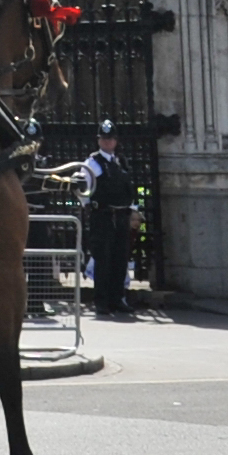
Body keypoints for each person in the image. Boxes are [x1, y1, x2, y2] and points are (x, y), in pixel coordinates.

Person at [76, 121, 138, 317]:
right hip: (103, 216)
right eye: (104, 138)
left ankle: (117, 298)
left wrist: (134, 210)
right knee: (103, 260)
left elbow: (129, 190)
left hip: (121, 216)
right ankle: (101, 301)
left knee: (120, 259)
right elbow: (80, 187)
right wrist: (87, 205)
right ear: (99, 140)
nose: (107, 142)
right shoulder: (92, 163)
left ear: (115, 140)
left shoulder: (121, 161)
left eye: (110, 138)